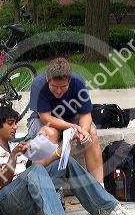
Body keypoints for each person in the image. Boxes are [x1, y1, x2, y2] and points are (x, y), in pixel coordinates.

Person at [0, 106, 135, 215]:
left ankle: (105, 206)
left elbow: (40, 164)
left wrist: (62, 151)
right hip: (5, 205)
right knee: (35, 171)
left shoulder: (15, 146)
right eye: (10, 123)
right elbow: (2, 180)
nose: (15, 127)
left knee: (66, 163)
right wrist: (13, 157)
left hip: (26, 200)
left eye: (16, 123)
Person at [27, 57, 104, 185]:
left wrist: (82, 132)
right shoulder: (38, 84)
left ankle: (100, 187)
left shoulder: (78, 82)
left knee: (92, 133)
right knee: (51, 133)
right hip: (43, 120)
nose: (58, 90)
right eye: (54, 86)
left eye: (63, 87)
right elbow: (46, 118)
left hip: (71, 117)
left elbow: (86, 115)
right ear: (47, 79)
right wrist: (73, 127)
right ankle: (50, 186)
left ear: (69, 80)